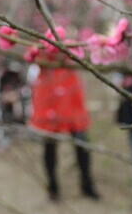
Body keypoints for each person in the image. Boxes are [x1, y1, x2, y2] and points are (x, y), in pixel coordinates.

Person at [29, 61, 99, 201]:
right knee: (50, 145)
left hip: (69, 89)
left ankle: (87, 185)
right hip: (48, 89)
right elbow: (33, 57)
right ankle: (52, 187)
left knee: (81, 143)